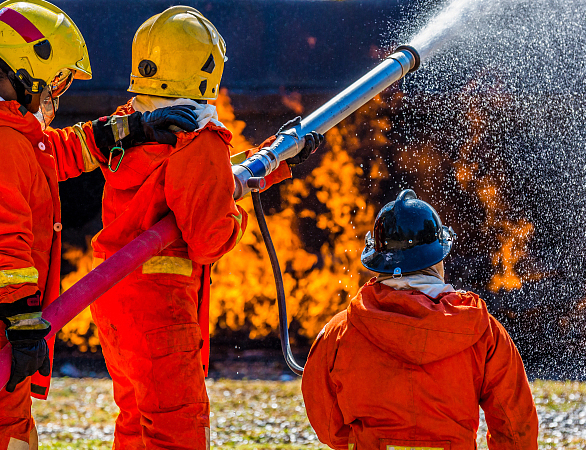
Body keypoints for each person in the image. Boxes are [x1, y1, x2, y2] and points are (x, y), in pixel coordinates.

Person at [0, 1, 199, 448]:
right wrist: (21, 320)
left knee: (7, 430)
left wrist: (131, 129)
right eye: (57, 81)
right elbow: (2, 237)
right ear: (29, 71)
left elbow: (54, 153)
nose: (57, 93)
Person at [87, 6, 322, 449]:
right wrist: (235, 214)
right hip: (161, 309)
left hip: (114, 297)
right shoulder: (198, 137)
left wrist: (274, 160)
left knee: (137, 420)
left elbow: (189, 181)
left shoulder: (131, 125)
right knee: (178, 428)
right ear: (206, 69)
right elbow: (209, 237)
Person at [301, 189, 539, 450]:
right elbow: (516, 429)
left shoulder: (339, 331)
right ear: (438, 258)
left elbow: (327, 423)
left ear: (378, 259)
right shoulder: (483, 330)